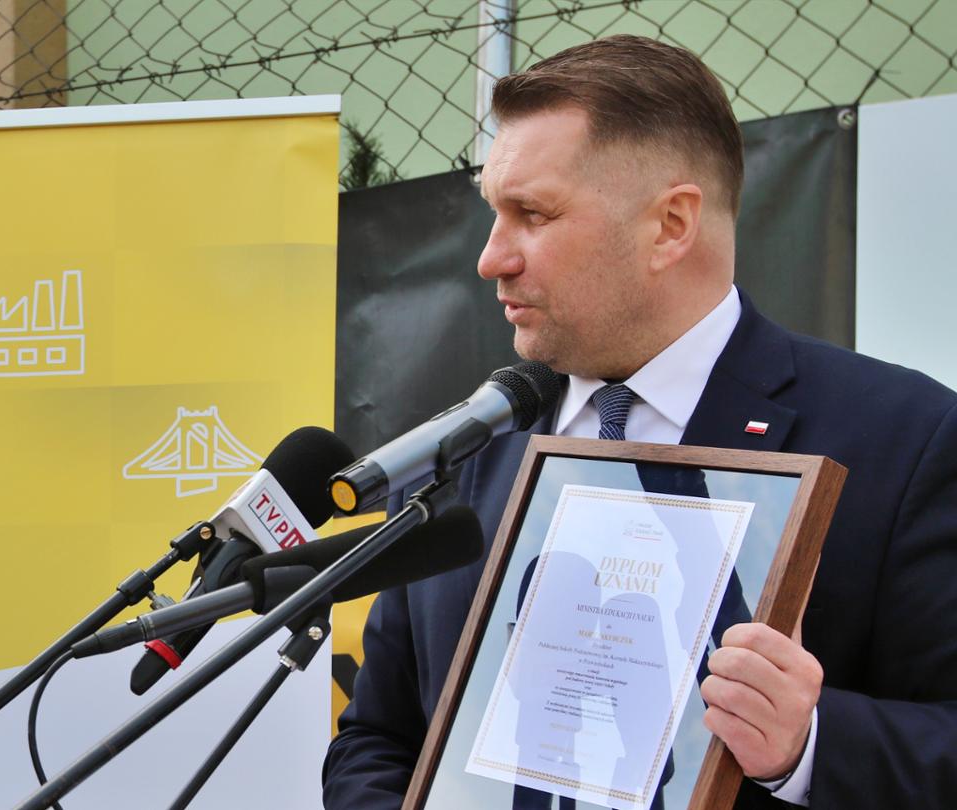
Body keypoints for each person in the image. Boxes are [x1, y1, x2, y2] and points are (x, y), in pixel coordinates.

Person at [324, 35, 957, 808]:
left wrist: (808, 745)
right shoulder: (468, 453)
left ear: (671, 225)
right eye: (494, 213)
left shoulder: (903, 440)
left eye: (532, 214)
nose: (491, 258)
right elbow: (377, 737)